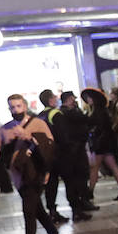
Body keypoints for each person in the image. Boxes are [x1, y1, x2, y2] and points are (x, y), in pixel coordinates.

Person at [0, 94, 62, 234]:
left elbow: (49, 147)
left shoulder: (38, 123)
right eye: (12, 107)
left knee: (28, 209)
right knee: (36, 209)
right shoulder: (6, 128)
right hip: (17, 175)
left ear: (25, 106)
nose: (16, 110)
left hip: (35, 174)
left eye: (19, 106)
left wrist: (29, 136)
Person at [55, 92, 94, 221]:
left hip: (73, 151)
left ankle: (80, 206)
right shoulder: (68, 113)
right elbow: (86, 119)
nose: (74, 101)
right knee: (76, 181)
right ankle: (78, 209)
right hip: (73, 152)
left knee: (76, 181)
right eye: (73, 99)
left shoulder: (63, 113)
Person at [84, 88, 118, 201]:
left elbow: (96, 127)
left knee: (95, 168)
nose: (87, 100)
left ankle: (90, 192)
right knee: (112, 166)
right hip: (106, 143)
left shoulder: (98, 112)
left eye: (89, 97)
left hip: (101, 144)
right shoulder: (102, 110)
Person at [38, 89, 68, 222]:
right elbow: (62, 136)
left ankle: (51, 210)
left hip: (44, 154)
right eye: (55, 97)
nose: (57, 99)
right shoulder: (56, 114)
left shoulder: (40, 115)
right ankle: (72, 209)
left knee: (50, 183)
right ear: (51, 100)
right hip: (58, 154)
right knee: (67, 180)